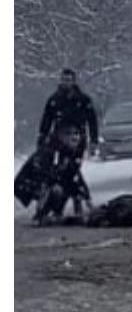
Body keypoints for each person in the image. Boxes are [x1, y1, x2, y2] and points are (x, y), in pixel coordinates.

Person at [33, 68, 98, 222]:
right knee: (65, 170)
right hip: (60, 140)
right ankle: (75, 199)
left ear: (73, 81)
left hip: (78, 139)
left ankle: (79, 200)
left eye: (69, 80)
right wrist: (42, 139)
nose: (66, 82)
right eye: (64, 79)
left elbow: (92, 120)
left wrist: (94, 140)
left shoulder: (83, 99)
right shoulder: (54, 100)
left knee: (72, 168)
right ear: (60, 80)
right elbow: (46, 121)